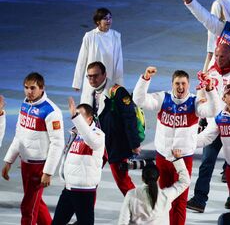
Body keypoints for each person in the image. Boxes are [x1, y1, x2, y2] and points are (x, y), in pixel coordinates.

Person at [132, 66, 221, 224]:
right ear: (172, 84)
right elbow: (139, 100)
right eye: (177, 84)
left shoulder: (194, 102)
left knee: (180, 201)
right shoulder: (162, 98)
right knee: (163, 200)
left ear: (188, 85)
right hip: (162, 157)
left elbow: (213, 111)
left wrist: (210, 89)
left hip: (183, 159)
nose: (180, 87)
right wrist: (145, 79)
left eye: (183, 84)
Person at [188, 43, 230, 213]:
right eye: (217, 56)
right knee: (206, 162)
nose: (218, 60)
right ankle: (199, 199)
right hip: (214, 124)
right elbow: (202, 96)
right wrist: (201, 119)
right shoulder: (211, 72)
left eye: (222, 57)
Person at [2, 72, 65, 225]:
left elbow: (58, 144)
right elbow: (19, 135)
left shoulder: (51, 111)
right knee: (36, 202)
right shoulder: (25, 104)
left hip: (39, 167)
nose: (29, 91)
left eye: (33, 88)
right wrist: (9, 160)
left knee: (28, 207)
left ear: (42, 88)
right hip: (25, 164)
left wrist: (48, 172)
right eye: (26, 88)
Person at [86, 61, 141, 196]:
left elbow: (130, 118)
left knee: (122, 181)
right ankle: (86, 214)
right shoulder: (93, 92)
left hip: (117, 144)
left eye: (95, 76)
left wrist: (134, 144)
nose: (92, 79)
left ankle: (140, 211)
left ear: (104, 74)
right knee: (89, 180)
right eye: (89, 76)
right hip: (100, 143)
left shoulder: (118, 92)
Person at [52, 98, 105, 225]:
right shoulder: (74, 134)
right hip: (69, 188)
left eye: (80, 117)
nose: (77, 121)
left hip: (84, 191)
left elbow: (90, 139)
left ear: (90, 119)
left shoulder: (97, 135)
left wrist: (76, 116)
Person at [118, 149, 191, 225]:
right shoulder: (166, 195)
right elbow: (185, 181)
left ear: (142, 178)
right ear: (159, 178)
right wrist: (178, 160)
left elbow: (123, 222)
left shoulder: (131, 194)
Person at [72, 8, 124, 106]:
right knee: (89, 105)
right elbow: (82, 60)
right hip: (92, 77)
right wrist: (77, 82)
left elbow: (119, 60)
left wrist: (119, 83)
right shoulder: (89, 36)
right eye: (105, 18)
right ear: (98, 21)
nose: (108, 21)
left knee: (107, 105)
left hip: (109, 76)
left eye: (110, 18)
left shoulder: (116, 36)